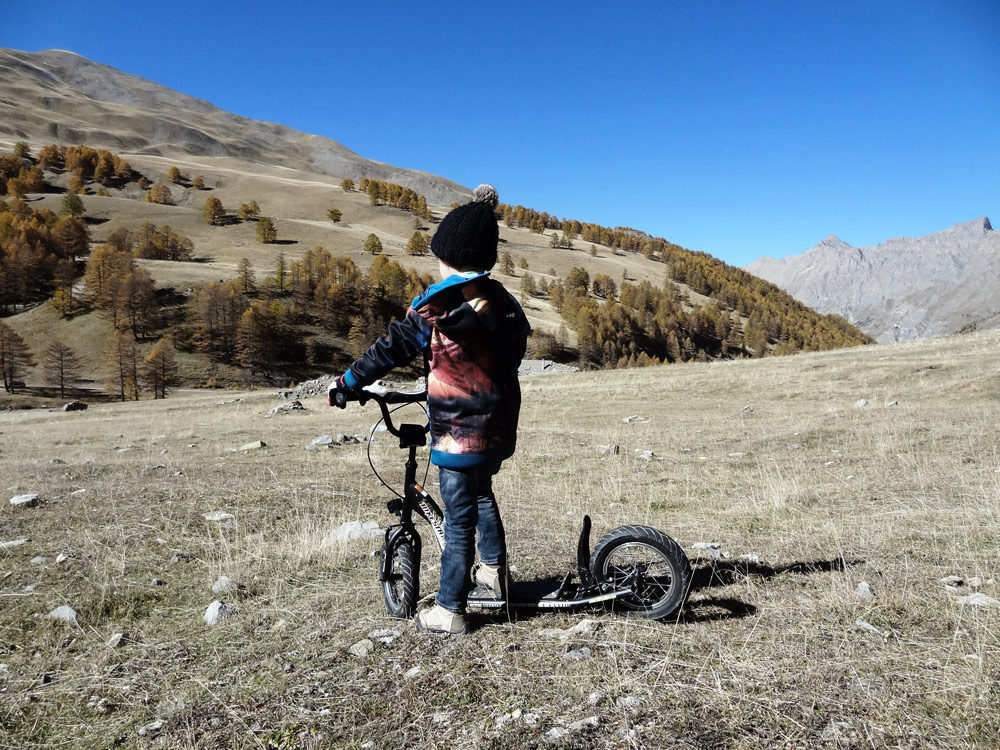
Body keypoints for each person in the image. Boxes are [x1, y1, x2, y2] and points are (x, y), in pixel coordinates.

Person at [329, 184, 530, 636]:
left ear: (446, 255)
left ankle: (450, 608)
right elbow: (515, 351)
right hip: (497, 424)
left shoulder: (435, 307)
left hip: (457, 430)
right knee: (481, 495)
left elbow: (391, 347)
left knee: (458, 518)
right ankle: (494, 573)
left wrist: (348, 382)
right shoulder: (503, 303)